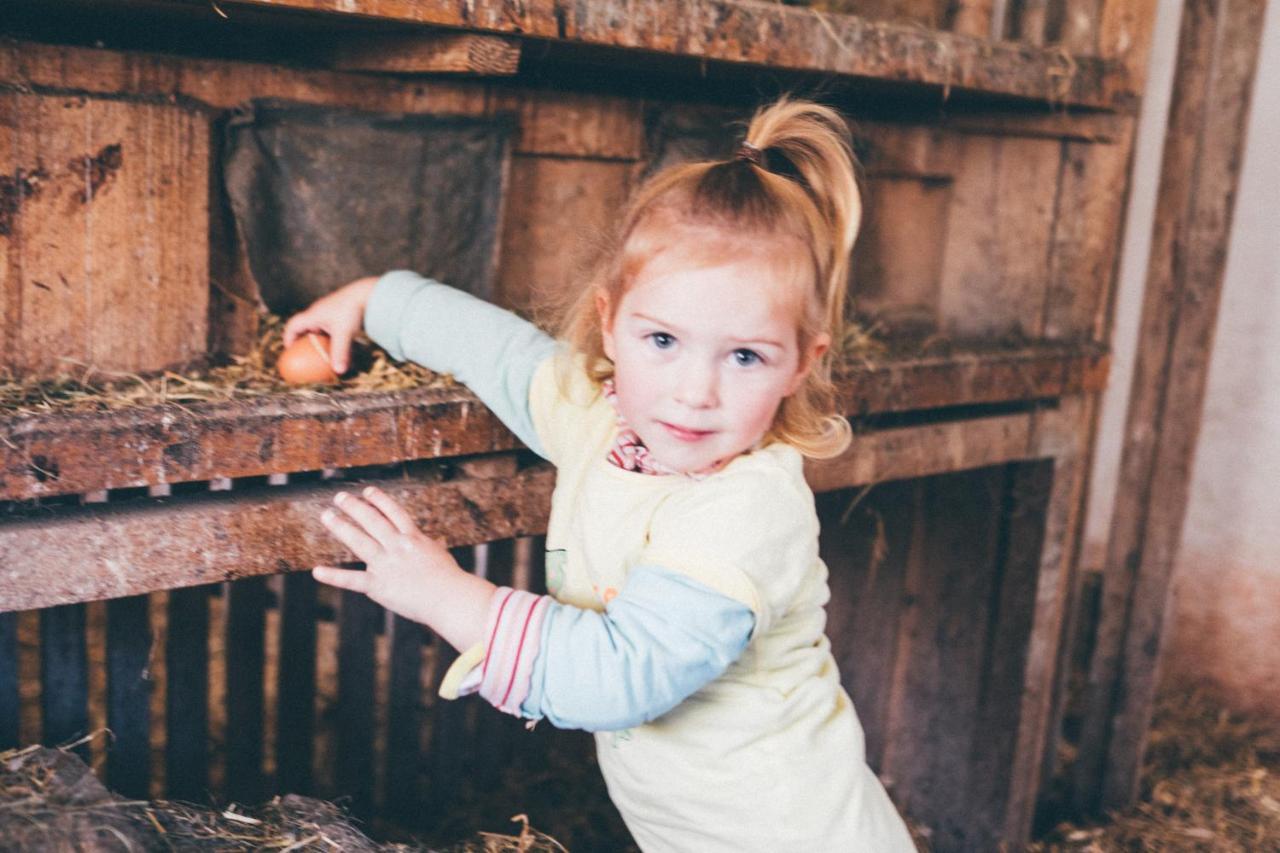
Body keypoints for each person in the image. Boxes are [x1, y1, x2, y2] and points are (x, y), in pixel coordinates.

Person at [284, 97, 916, 851]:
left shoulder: (748, 507)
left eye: (745, 355)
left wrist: (446, 595)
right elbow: (505, 358)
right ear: (610, 323)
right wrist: (376, 298)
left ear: (802, 363)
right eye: (662, 339)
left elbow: (620, 678)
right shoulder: (603, 417)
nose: (695, 390)